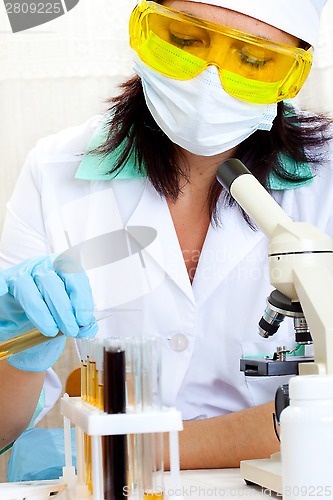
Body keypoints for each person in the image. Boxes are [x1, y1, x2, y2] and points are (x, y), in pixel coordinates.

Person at [0, 0, 332, 471]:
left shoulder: (329, 183)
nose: (208, 81)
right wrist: (16, 352)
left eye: (254, 60)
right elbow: (2, 429)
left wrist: (131, 449)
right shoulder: (54, 171)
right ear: (143, 29)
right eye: (183, 40)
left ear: (291, 74)